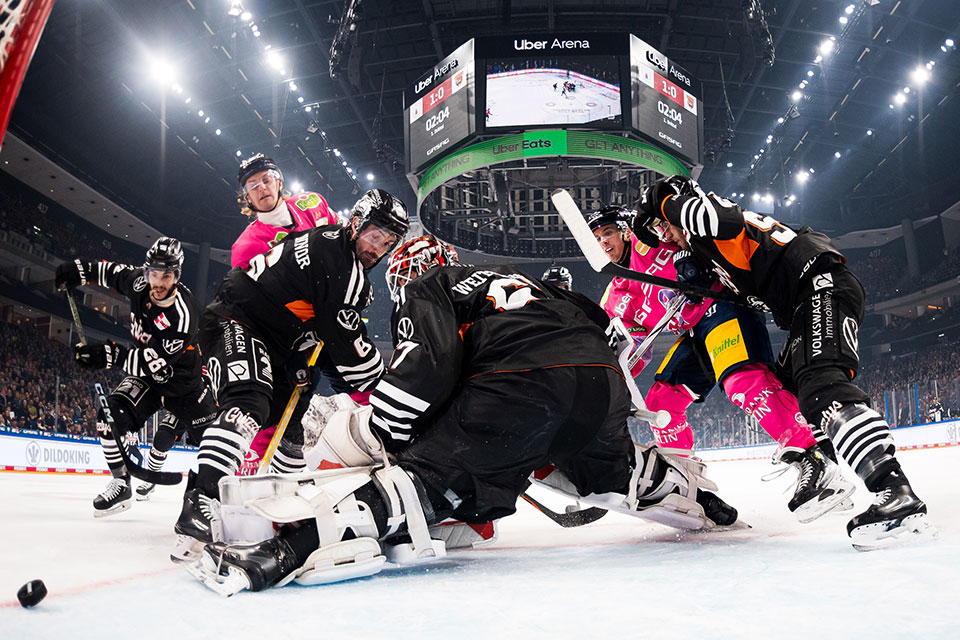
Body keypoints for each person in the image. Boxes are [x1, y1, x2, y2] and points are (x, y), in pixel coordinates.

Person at [186, 235, 737, 595]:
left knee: (419, 478)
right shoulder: (525, 280)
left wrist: (389, 436)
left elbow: (430, 367)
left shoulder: (429, 286)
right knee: (613, 471)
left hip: (520, 384)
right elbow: (602, 330)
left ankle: (282, 551)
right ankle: (702, 499)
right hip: (600, 381)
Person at [632, 175, 936, 549]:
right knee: (790, 391)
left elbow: (719, 220)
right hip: (805, 301)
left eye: (663, 227)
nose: (665, 236)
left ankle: (895, 492)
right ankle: (824, 470)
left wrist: (666, 203)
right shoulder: (708, 244)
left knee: (822, 388)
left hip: (818, 286)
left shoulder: (704, 215)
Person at [172, 189, 409, 561]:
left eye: (388, 242)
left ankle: (284, 506)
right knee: (248, 401)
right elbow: (349, 356)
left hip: (276, 340)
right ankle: (200, 501)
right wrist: (392, 397)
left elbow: (330, 347)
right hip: (238, 320)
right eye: (374, 235)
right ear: (357, 224)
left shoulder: (335, 251)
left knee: (291, 422)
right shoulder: (342, 266)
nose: (378, 248)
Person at [588, 205, 852, 523]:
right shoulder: (615, 294)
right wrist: (609, 374)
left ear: (626, 230)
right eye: (596, 238)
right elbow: (633, 348)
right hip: (695, 333)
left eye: (608, 233)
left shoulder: (654, 240)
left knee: (742, 382)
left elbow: (703, 238)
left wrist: (698, 262)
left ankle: (816, 458)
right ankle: (683, 482)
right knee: (661, 402)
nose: (602, 242)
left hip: (722, 307)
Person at [55, 237, 217, 517]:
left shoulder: (183, 314)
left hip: (184, 387)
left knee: (215, 444)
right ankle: (121, 483)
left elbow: (150, 362)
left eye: (167, 275)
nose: (159, 281)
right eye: (154, 273)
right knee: (108, 418)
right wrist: (78, 270)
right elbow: (110, 273)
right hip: (150, 382)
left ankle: (211, 498)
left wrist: (108, 355)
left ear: (176, 276)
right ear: (146, 272)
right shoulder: (140, 283)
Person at [232, 153, 341, 474]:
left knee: (358, 377)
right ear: (246, 197)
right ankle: (251, 466)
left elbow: (344, 239)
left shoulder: (312, 203)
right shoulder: (247, 246)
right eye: (253, 185)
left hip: (333, 319)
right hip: (290, 332)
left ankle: (388, 442)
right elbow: (250, 301)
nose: (262, 187)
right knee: (289, 395)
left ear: (279, 180)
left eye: (266, 179)